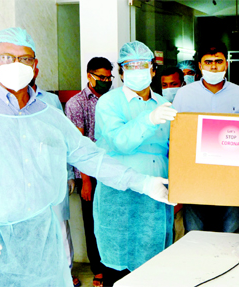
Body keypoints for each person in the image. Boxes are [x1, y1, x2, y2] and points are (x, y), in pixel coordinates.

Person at [0, 27, 172, 287]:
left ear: (35, 65)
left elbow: (89, 156)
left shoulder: (48, 114)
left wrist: (142, 182)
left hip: (41, 244)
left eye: (25, 58)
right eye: (6, 57)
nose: (16, 64)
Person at [93, 41, 177, 286]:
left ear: (153, 70)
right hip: (120, 198)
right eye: (131, 67)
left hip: (157, 199)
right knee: (119, 271)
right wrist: (149, 119)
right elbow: (121, 142)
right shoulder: (108, 103)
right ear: (121, 72)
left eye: (144, 66)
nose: (138, 72)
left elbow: (173, 151)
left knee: (154, 269)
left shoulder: (163, 104)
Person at [173, 41, 239, 234]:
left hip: (233, 177)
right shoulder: (184, 95)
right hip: (195, 177)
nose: (214, 66)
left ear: (226, 63)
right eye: (208, 62)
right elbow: (175, 137)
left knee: (231, 231)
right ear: (200, 65)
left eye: (218, 61)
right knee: (195, 233)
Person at [29, 69, 81, 287]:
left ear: (36, 70)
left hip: (53, 173)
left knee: (60, 226)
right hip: (23, 177)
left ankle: (66, 275)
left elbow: (64, 139)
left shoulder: (50, 100)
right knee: (29, 228)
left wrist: (69, 173)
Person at [65, 56, 113, 287]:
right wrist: (85, 180)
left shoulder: (115, 100)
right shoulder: (77, 103)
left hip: (113, 168)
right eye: (101, 77)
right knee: (93, 223)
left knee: (112, 219)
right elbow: (78, 143)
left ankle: (114, 265)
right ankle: (99, 269)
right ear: (89, 76)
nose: (106, 81)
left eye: (108, 77)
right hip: (90, 172)